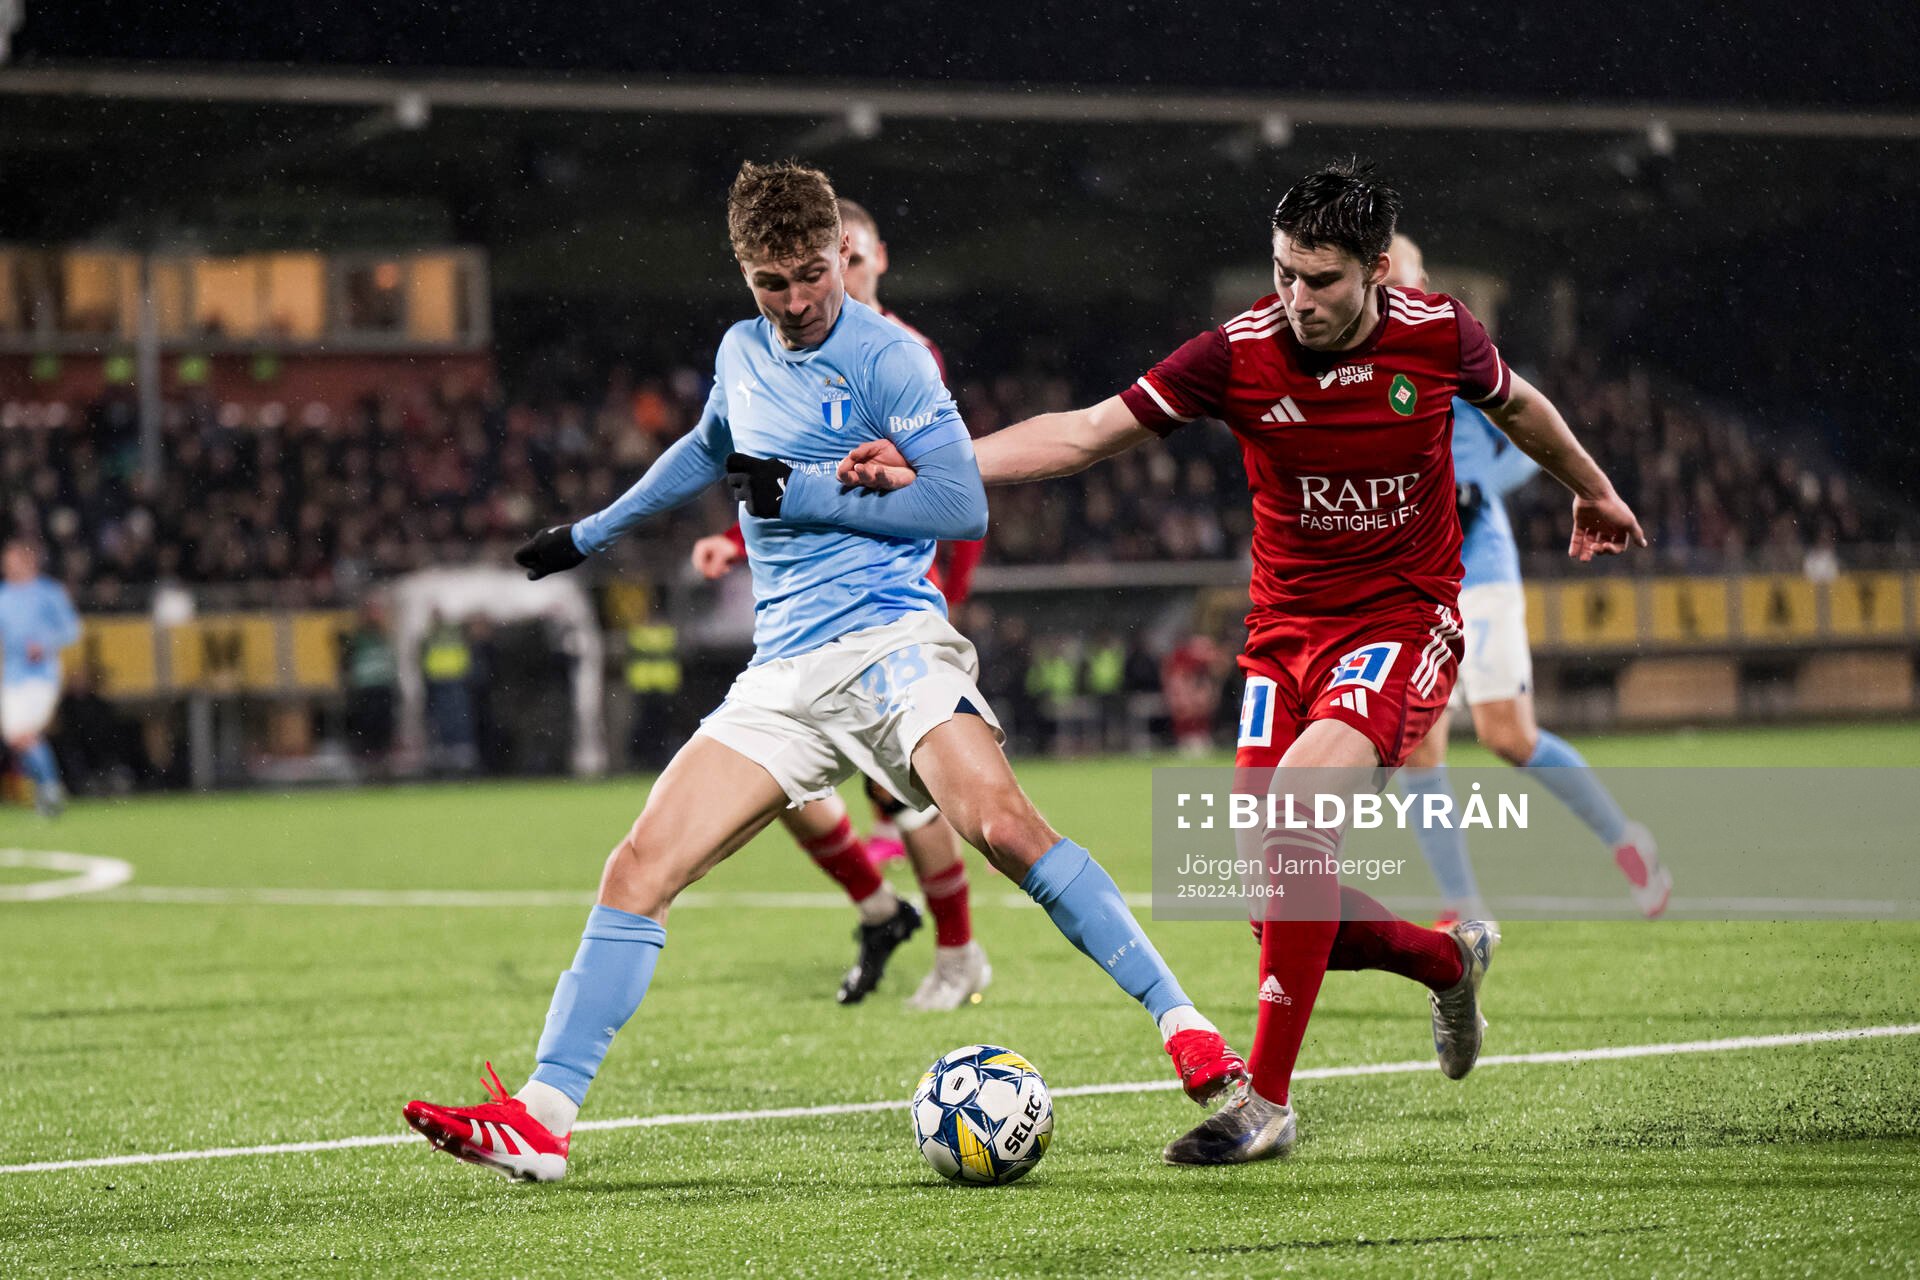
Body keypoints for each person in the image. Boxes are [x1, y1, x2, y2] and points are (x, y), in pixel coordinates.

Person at [404, 161, 1246, 1183]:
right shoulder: (740, 351)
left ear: (839, 259)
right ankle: (543, 1117)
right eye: (773, 282)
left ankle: (1185, 1024)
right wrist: (591, 533)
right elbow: (704, 447)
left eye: (812, 275)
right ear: (744, 274)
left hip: (895, 644)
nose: (797, 301)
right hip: (785, 671)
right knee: (637, 866)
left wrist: (807, 492)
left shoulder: (892, 358)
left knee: (1006, 828)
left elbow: (960, 505)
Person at [839, 160, 1645, 1165]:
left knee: (1300, 819)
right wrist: (933, 460)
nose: (1297, 301)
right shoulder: (1239, 352)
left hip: (1401, 619)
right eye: (1284, 275)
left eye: (1321, 280)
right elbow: (1087, 433)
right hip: (1284, 638)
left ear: (1377, 271)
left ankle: (1264, 1100)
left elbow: (1521, 404)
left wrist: (1594, 489)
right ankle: (1447, 956)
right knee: (1274, 908)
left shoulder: (1436, 333)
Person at [688, 196, 990, 1011]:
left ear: (873, 260)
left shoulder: (897, 352)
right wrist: (737, 538)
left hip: (893, 604)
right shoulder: (785, 358)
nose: (824, 287)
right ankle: (882, 909)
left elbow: (943, 488)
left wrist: (941, 601)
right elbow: (787, 477)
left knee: (904, 794)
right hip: (812, 615)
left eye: (845, 263)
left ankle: (958, 953)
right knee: (785, 787)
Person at [1387, 235, 1669, 925]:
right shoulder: (1360, 372)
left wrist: (1477, 483)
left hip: (1479, 572)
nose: (1407, 288)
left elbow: (1527, 437)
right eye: (1394, 277)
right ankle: (1461, 903)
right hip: (1413, 583)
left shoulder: (1451, 353)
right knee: (1416, 746)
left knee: (1508, 737)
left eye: (1412, 275)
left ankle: (1625, 839)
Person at [0, 540, 81, 817]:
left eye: (13, 561)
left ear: (29, 562)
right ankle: (48, 789)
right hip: (11, 676)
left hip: (42, 676)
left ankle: (50, 790)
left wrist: (45, 644)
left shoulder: (49, 593)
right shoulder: (3, 596)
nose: (7, 566)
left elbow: (72, 629)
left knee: (24, 734)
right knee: (16, 737)